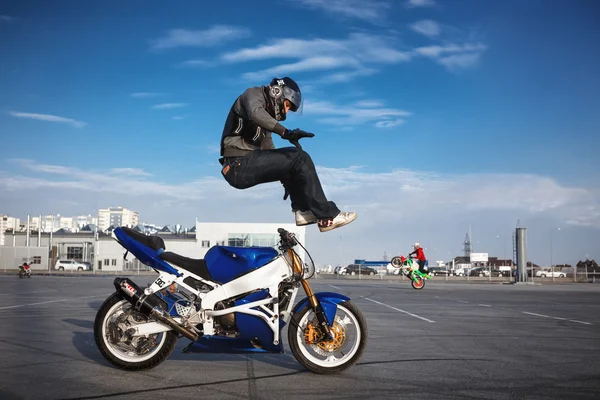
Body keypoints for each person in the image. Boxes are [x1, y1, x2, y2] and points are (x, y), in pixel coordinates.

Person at [218, 77, 357, 232]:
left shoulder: (266, 126)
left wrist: (287, 176)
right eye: (288, 105)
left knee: (296, 157)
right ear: (277, 92)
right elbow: (255, 113)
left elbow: (271, 155)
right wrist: (285, 132)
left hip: (245, 165)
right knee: (300, 158)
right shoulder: (252, 94)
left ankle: (303, 211)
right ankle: (327, 215)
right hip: (237, 165)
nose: (286, 111)